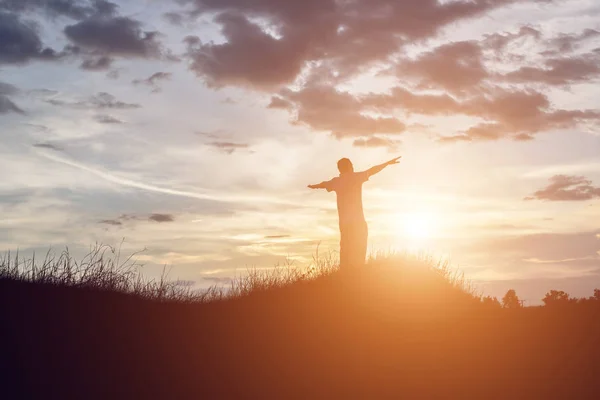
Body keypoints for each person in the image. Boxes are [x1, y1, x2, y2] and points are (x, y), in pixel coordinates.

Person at [308, 157, 401, 269]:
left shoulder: (336, 181)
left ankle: (345, 272)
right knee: (359, 245)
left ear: (339, 169)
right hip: (358, 221)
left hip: (344, 223)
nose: (353, 167)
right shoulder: (356, 177)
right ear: (349, 166)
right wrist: (386, 163)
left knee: (345, 247)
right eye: (352, 165)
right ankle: (357, 270)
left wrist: (314, 186)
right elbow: (372, 170)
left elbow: (323, 184)